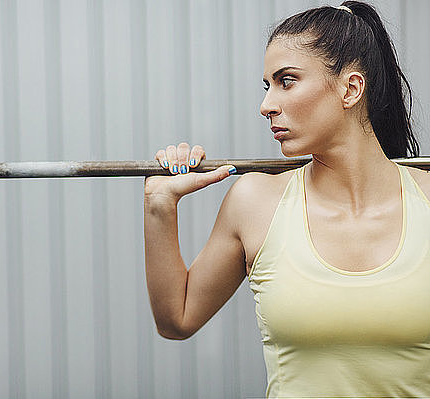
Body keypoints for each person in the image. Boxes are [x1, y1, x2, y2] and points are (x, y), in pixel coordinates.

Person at [143, 1, 430, 397]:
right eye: (268, 86)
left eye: (287, 81)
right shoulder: (255, 202)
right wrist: (160, 205)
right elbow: (177, 320)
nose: (266, 106)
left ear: (350, 88)